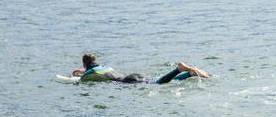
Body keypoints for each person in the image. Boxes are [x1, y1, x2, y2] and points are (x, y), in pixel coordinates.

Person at [73, 53, 210, 84]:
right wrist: (83, 70)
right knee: (156, 81)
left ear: (85, 64)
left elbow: (86, 77)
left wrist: (80, 76)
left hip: (127, 82)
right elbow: (95, 70)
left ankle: (178, 69)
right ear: (95, 61)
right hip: (132, 75)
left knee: (157, 84)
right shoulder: (104, 66)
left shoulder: (89, 73)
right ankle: (189, 74)